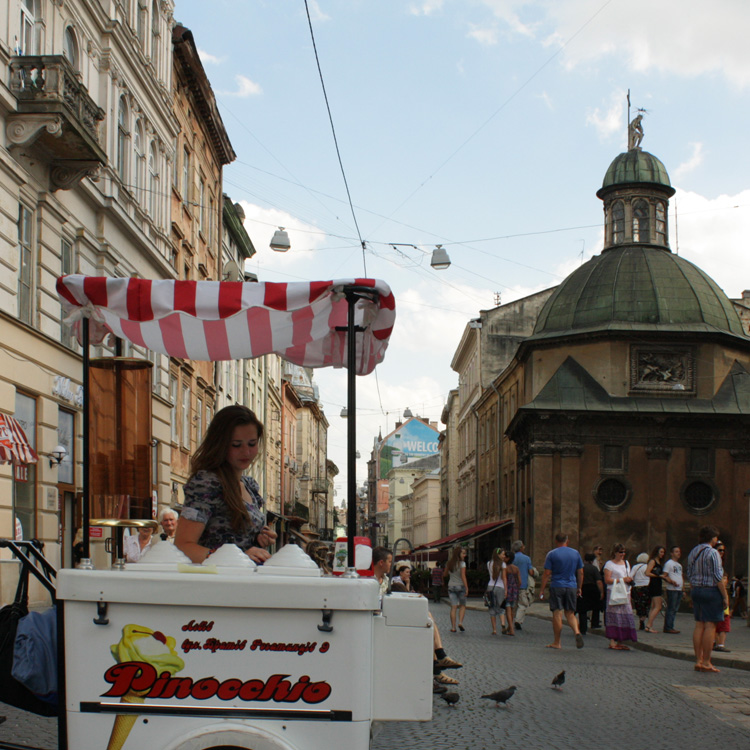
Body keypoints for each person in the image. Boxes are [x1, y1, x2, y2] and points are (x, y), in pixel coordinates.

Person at [176, 405, 277, 563]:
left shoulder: (249, 485)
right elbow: (183, 546)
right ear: (220, 444)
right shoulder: (206, 483)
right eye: (236, 445)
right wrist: (239, 558)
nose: (246, 452)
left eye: (252, 444)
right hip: (218, 582)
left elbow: (237, 541)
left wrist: (258, 539)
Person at [686, 525, 728, 673]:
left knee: (699, 625)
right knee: (710, 625)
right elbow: (717, 577)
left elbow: (689, 574)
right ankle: (706, 662)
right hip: (711, 591)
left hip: (696, 590)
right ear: (713, 538)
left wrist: (694, 590)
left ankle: (698, 660)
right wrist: (725, 596)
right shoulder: (713, 553)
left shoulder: (693, 552)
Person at [538, 533, 584, 649]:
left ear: (556, 541)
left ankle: (557, 642)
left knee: (557, 613)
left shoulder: (552, 554)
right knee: (570, 613)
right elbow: (581, 572)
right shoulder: (575, 553)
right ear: (567, 541)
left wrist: (542, 590)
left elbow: (547, 573)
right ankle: (577, 631)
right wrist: (579, 587)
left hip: (557, 585)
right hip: (572, 585)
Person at [602, 543, 637, 650]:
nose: (622, 554)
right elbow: (607, 580)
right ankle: (612, 641)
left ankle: (620, 640)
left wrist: (628, 580)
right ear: (615, 552)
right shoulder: (609, 564)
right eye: (620, 552)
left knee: (625, 616)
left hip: (625, 592)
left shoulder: (626, 563)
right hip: (613, 592)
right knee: (614, 616)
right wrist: (621, 580)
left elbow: (628, 576)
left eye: (624, 552)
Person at [511, 540, 537, 630]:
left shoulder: (512, 557)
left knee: (513, 604)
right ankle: (518, 620)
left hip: (512, 584)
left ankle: (511, 621)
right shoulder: (526, 558)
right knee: (523, 604)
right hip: (523, 584)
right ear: (521, 548)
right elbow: (530, 571)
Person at [576, 552, 603, 636]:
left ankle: (583, 628)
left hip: (583, 588)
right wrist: (601, 592)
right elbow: (598, 581)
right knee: (596, 607)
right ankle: (594, 623)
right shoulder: (594, 568)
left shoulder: (580, 568)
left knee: (582, 610)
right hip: (593, 589)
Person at [444, 546, 468, 632]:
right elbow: (463, 576)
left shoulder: (449, 563)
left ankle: (453, 627)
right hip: (460, 586)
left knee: (453, 607)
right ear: (459, 554)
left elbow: (445, 574)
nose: (465, 555)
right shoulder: (462, 564)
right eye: (463, 553)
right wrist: (466, 587)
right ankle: (460, 622)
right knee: (462, 605)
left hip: (451, 586)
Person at [713, 542, 731, 653]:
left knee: (723, 623)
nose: (722, 553)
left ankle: (718, 643)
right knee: (715, 622)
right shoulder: (714, 565)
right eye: (720, 550)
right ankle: (718, 643)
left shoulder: (720, 565)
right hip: (716, 596)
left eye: (723, 550)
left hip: (720, 596)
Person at [644, 545, 667, 633]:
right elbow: (647, 572)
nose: (662, 554)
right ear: (657, 552)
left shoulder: (658, 561)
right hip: (654, 584)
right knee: (658, 606)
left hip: (657, 584)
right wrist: (658, 575)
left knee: (653, 606)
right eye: (661, 552)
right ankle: (649, 625)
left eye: (663, 552)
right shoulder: (653, 561)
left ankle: (649, 625)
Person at [662, 545, 683, 634]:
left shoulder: (679, 565)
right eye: (676, 551)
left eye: (679, 552)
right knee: (671, 608)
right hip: (672, 589)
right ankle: (668, 626)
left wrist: (683, 589)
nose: (678, 553)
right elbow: (664, 575)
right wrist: (671, 581)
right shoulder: (669, 563)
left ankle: (671, 625)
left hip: (679, 589)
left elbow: (680, 576)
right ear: (672, 553)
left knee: (675, 608)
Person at [486, 548, 506, 636]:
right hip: (500, 587)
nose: (504, 556)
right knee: (501, 608)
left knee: (492, 608)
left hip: (490, 587)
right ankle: (503, 623)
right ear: (498, 555)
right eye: (503, 554)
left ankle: (494, 629)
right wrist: (506, 589)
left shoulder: (489, 563)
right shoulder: (503, 564)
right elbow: (504, 578)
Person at [630, 552, 651, 631]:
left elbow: (630, 576)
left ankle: (640, 619)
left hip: (637, 587)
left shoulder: (635, 567)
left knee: (639, 604)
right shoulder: (648, 566)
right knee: (646, 604)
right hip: (646, 586)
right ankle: (643, 619)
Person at [503, 551, 520, 636]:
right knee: (512, 609)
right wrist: (517, 587)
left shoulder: (505, 568)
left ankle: (511, 629)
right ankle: (509, 627)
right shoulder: (516, 568)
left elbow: (504, 579)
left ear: (508, 558)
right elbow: (519, 581)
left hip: (508, 589)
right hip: (515, 589)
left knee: (508, 610)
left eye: (505, 557)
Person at [590, 544, 605, 628]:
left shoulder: (599, 560)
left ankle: (594, 619)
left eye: (601, 550)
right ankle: (593, 619)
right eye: (599, 550)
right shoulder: (593, 560)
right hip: (595, 581)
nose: (600, 552)